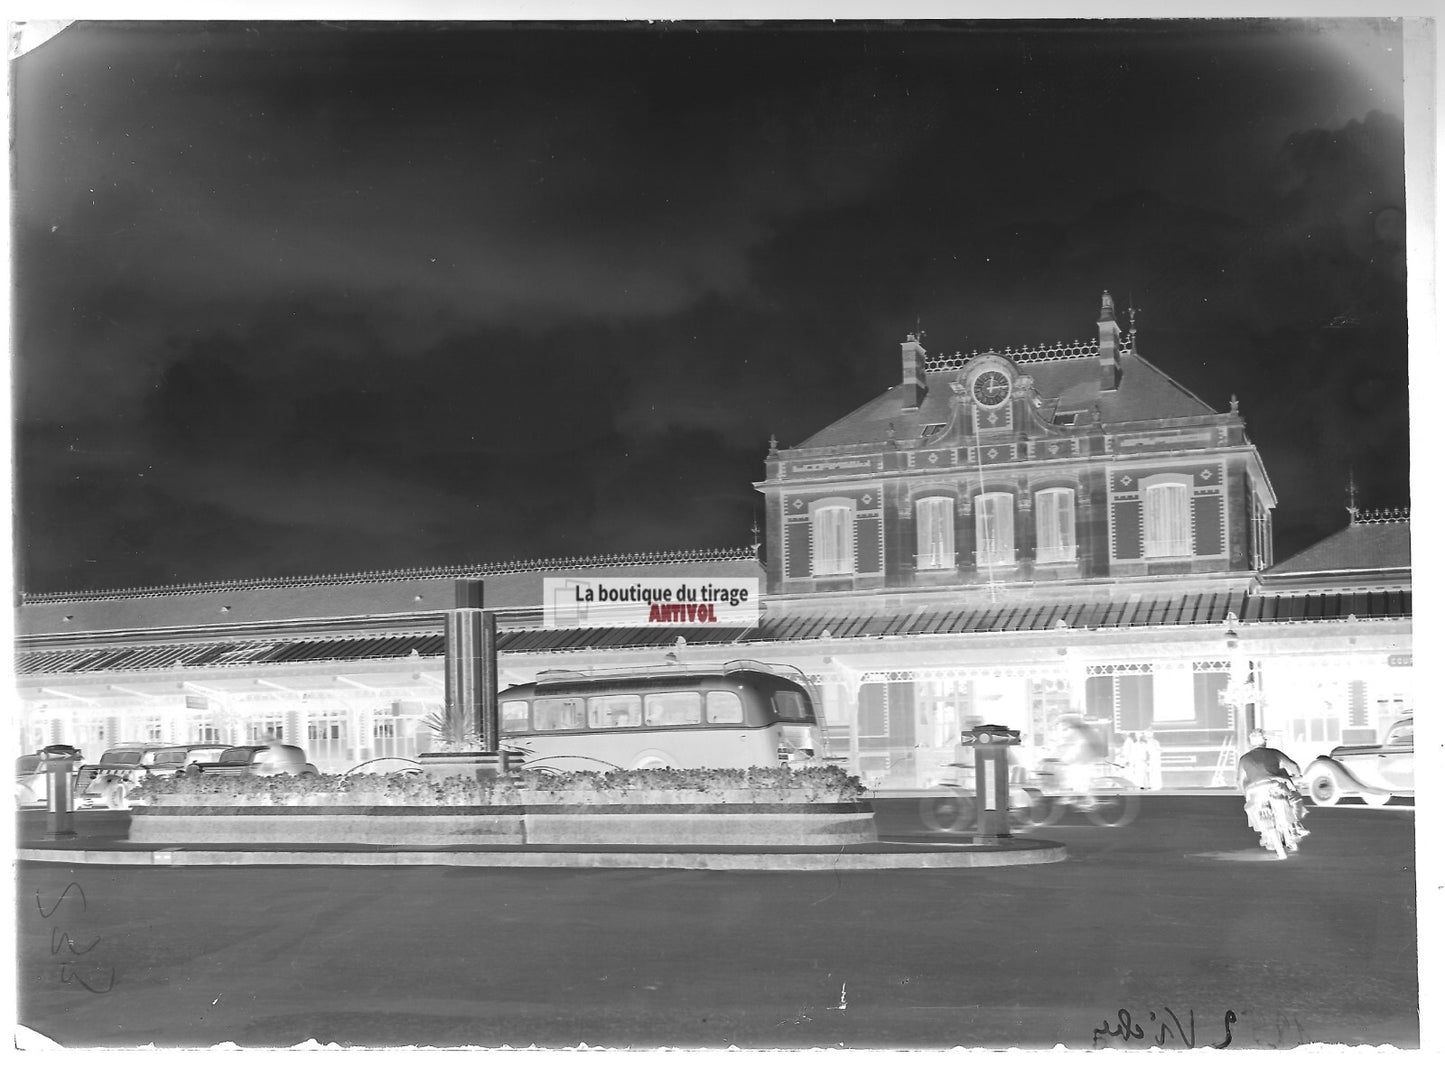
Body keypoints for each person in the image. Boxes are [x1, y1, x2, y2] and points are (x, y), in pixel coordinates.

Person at [1237, 729, 1308, 855]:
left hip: (1253, 789)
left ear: (1250, 744)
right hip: (1275, 785)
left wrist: (1246, 795)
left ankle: (1263, 833)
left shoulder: (1244, 759)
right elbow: (1293, 766)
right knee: (1295, 798)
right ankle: (1295, 826)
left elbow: (1239, 780)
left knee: (1251, 807)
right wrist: (1297, 774)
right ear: (1264, 742)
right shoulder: (1274, 753)